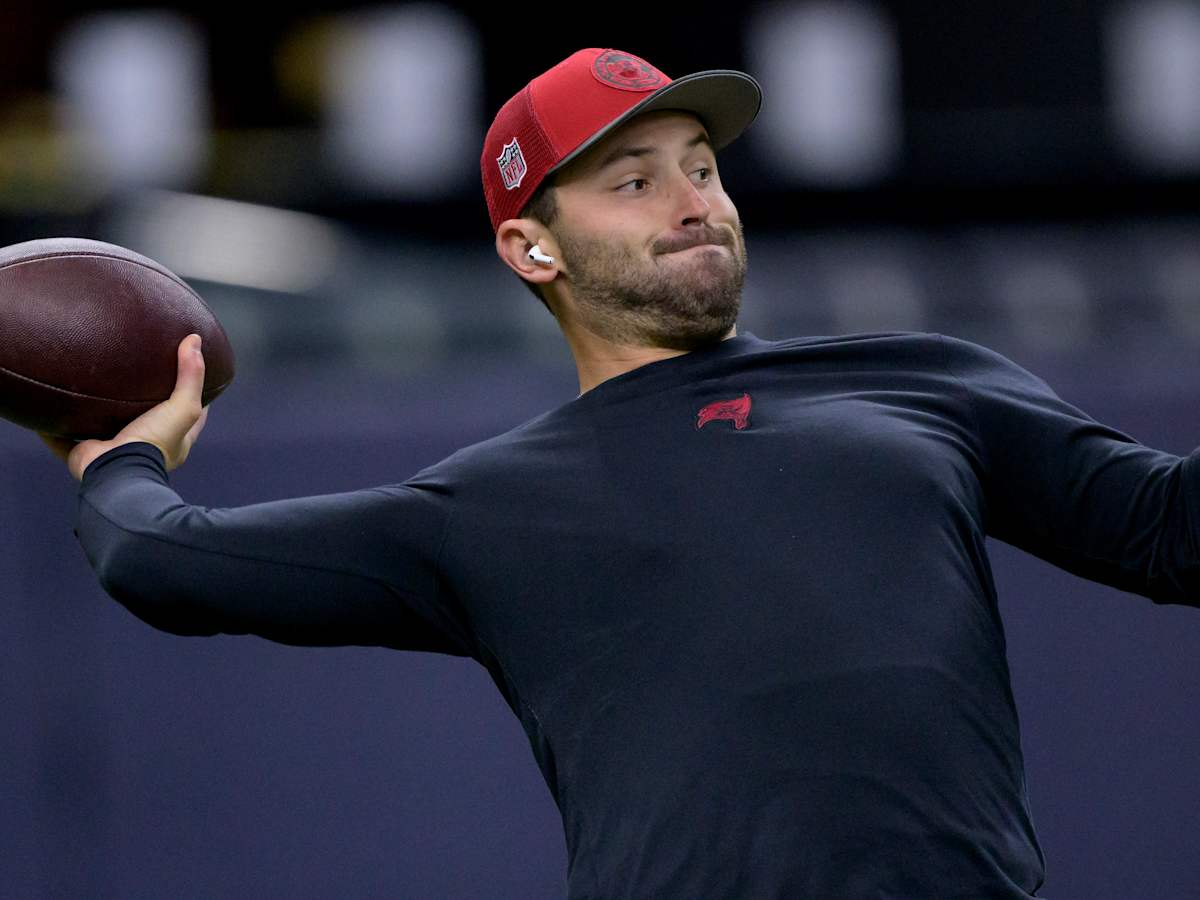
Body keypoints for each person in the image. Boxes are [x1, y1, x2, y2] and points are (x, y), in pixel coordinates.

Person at [44, 48, 1199, 899]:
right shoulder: (488, 506)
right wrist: (126, 450)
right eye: (634, 181)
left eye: (702, 167)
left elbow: (1171, 527)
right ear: (530, 246)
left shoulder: (922, 379)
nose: (696, 199)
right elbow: (163, 556)